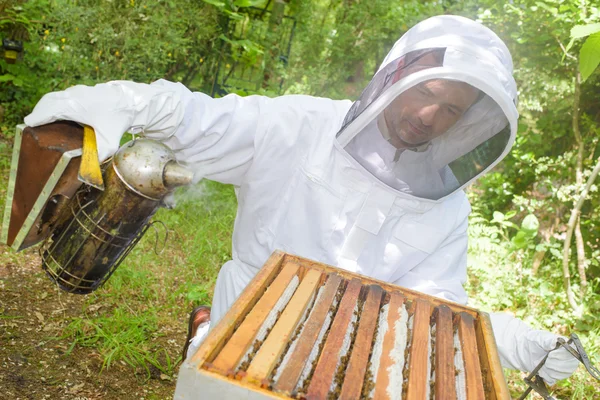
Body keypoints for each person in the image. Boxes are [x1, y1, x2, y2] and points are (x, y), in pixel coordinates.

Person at [25, 15, 578, 388]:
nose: (429, 116)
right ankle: (202, 328)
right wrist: (118, 102)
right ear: (396, 76)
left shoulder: (448, 205)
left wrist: (509, 340)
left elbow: (434, 308)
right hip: (240, 337)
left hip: (343, 370)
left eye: (451, 110)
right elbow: (197, 118)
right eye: (426, 93)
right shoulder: (297, 124)